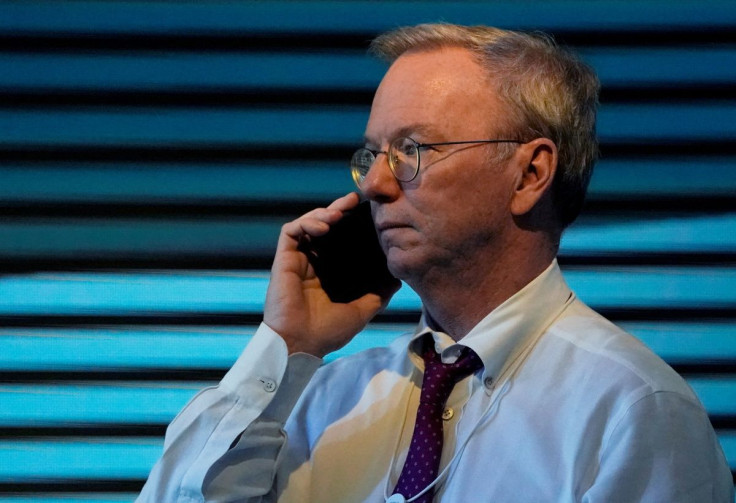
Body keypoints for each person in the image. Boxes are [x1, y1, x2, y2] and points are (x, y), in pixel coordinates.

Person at [138, 23, 733, 502]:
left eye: (412, 150)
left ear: (529, 174)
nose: (373, 184)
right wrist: (285, 348)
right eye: (371, 154)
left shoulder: (629, 408)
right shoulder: (328, 396)